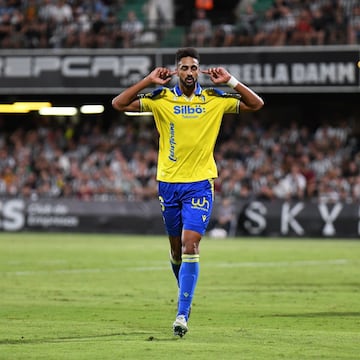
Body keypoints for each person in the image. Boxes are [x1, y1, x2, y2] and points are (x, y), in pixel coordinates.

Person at [111, 47, 264, 337]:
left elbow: (256, 104)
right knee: (175, 251)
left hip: (200, 183)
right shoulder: (162, 98)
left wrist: (231, 81)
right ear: (177, 71)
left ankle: (182, 313)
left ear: (199, 71)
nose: (190, 73)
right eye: (184, 68)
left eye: (194, 68)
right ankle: (185, 295)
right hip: (168, 183)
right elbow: (119, 104)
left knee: (190, 244)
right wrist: (147, 81)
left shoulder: (214, 99)